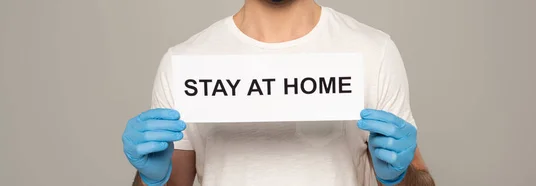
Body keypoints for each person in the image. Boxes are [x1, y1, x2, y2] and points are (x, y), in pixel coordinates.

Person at [121, 0, 435, 185]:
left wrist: (399, 178)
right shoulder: (184, 63)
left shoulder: (373, 52)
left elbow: (418, 179)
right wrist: (150, 179)